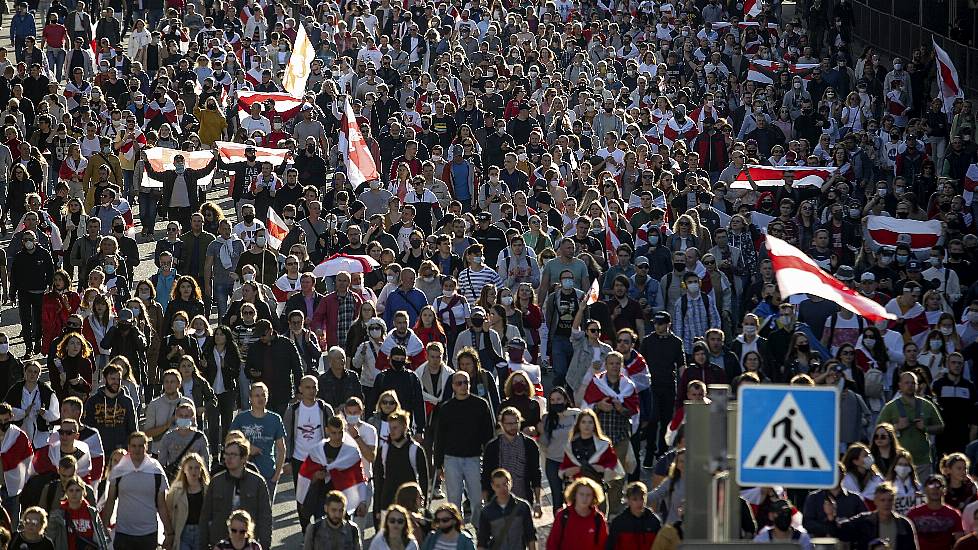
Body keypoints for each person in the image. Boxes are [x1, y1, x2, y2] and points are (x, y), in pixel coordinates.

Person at [434, 370, 496, 527]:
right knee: (453, 501)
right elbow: (440, 437)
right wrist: (438, 464)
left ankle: (478, 530)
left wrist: (489, 461)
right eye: (459, 383)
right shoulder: (446, 408)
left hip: (474, 458)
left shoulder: (481, 405)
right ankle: (457, 532)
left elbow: (488, 436)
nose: (463, 386)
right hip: (451, 459)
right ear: (453, 386)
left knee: (477, 500)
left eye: (466, 382)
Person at [100, 432, 172, 550]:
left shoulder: (156, 471)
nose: (137, 449)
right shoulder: (119, 471)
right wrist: (103, 527)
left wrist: (169, 533)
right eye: (134, 446)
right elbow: (110, 501)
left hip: (148, 533)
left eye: (140, 446)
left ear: (146, 447)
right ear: (128, 448)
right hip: (124, 533)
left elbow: (162, 505)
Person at [199, 439, 273, 550]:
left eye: (233, 455)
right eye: (226, 454)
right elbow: (205, 516)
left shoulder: (257, 482)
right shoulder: (216, 482)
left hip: (247, 544)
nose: (228, 458)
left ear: (243, 458)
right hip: (220, 544)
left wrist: (265, 545)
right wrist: (203, 546)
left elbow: (265, 517)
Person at [878, 371, 945, 478]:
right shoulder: (891, 407)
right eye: (906, 383)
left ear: (917, 385)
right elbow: (878, 431)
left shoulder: (927, 405)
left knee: (923, 493)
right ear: (900, 385)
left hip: (923, 461)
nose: (910, 386)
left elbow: (940, 427)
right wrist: (896, 427)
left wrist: (926, 428)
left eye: (913, 383)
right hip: (898, 461)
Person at [229, 382, 286, 497]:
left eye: (263, 395)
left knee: (266, 513)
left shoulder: (275, 419)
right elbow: (229, 440)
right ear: (250, 398)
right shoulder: (241, 418)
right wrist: (247, 447)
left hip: (268, 473)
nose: (261, 398)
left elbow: (282, 448)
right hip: (244, 473)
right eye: (257, 395)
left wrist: (277, 474)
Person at [373, 409, 428, 523]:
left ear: (405, 427)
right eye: (390, 428)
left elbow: (424, 479)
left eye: (395, 428)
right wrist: (377, 509)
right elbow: (378, 481)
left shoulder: (416, 450)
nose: (391, 432)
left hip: (411, 506)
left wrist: (423, 505)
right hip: (387, 504)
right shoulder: (383, 450)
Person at [827, 482, 919, 550]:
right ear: (875, 501)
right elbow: (841, 532)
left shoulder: (904, 524)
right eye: (882, 500)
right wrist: (831, 516)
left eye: (890, 500)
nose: (886, 504)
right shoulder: (864, 521)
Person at [477, 468, 538, 549]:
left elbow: (530, 535)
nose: (502, 489)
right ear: (493, 486)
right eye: (498, 486)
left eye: (505, 484)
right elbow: (482, 541)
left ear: (511, 483)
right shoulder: (487, 512)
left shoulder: (522, 507)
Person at [46, 475, 112, 550]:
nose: (74, 494)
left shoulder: (92, 512)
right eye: (71, 490)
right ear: (66, 493)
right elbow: (50, 538)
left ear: (83, 492)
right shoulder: (57, 514)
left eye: (78, 490)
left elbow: (101, 538)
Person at [546, 477, 609, 550]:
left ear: (593, 497)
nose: (584, 498)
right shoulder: (563, 516)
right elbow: (552, 544)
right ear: (574, 495)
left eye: (588, 495)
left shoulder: (598, 518)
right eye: (581, 494)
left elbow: (603, 544)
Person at [164, 453, 209, 550]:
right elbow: (169, 513)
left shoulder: (207, 490)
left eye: (197, 468)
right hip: (182, 532)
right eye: (190, 468)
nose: (194, 471)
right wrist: (168, 535)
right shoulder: (176, 490)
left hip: (201, 532)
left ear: (201, 470)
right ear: (184, 470)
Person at [907, 474, 963, 550]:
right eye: (931, 486)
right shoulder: (913, 513)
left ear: (945, 490)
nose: (935, 489)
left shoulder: (953, 514)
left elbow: (959, 542)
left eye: (938, 486)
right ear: (925, 489)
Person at [607, 481, 661, 549]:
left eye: (642, 498)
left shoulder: (654, 522)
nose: (639, 503)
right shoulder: (618, 523)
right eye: (635, 499)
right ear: (628, 500)